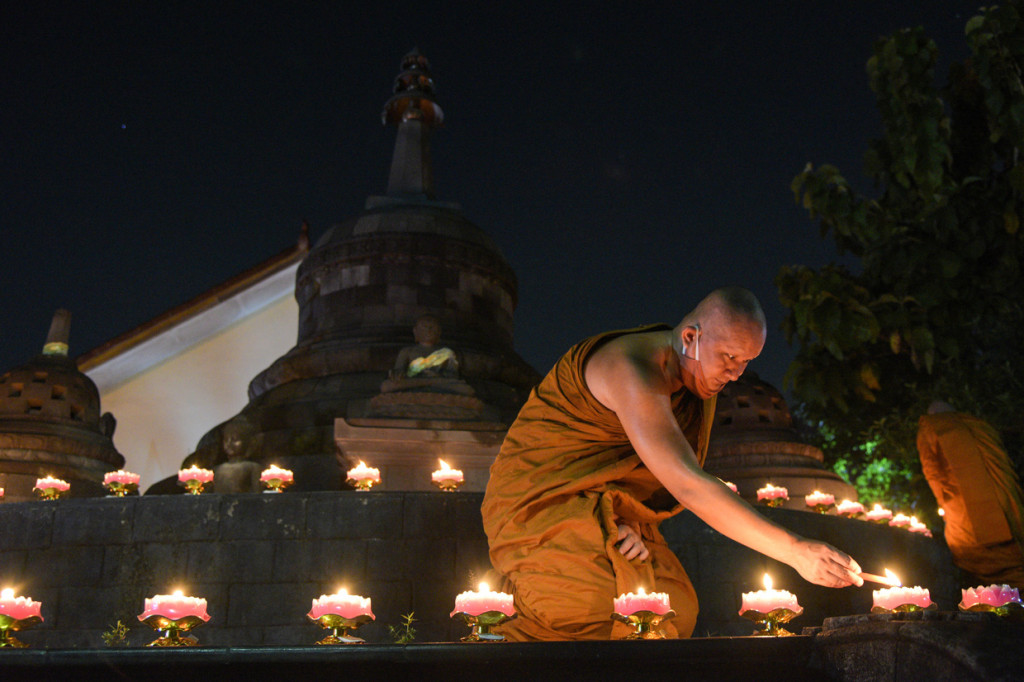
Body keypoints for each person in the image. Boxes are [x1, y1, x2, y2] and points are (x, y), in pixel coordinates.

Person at [481, 287, 862, 641]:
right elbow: (688, 484)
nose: (735, 375)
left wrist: (619, 518)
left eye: (746, 363)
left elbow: (641, 474)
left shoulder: (692, 381)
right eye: (729, 357)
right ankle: (501, 625)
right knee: (584, 608)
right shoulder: (631, 368)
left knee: (674, 608)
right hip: (541, 508)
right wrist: (795, 550)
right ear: (690, 338)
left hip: (612, 510)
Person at [917, 401, 1024, 589]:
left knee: (987, 589)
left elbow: (933, 475)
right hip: (1009, 509)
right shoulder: (979, 426)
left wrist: (946, 507)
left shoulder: (931, 427)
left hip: (968, 523)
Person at [390, 314, 459, 379]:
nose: (428, 330)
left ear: (439, 332)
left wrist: (438, 375)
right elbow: (398, 370)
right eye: (424, 327)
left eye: (432, 327)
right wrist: (398, 374)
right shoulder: (407, 351)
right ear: (415, 331)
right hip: (414, 382)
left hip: (438, 383)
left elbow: (454, 375)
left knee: (463, 388)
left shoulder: (447, 352)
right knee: (387, 385)